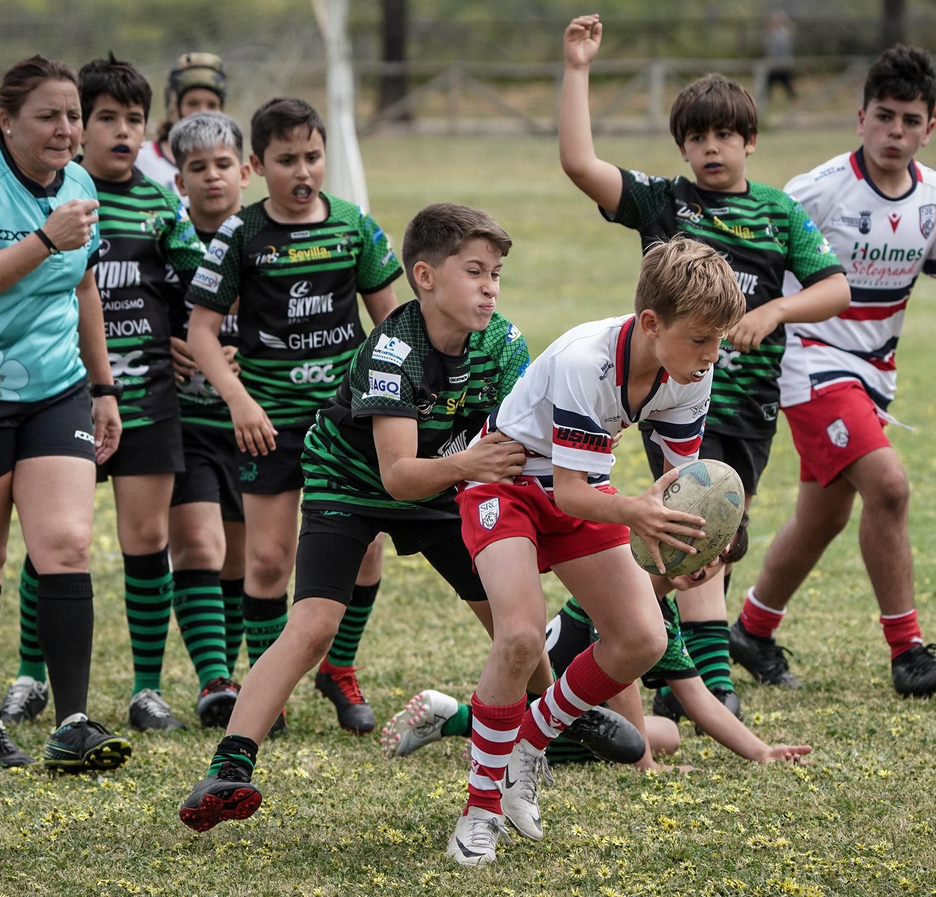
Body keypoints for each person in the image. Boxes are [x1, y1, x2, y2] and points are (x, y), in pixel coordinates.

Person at [444, 236, 810, 867]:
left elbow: (682, 481)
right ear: (649, 323)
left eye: (719, 339)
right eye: (700, 339)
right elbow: (572, 493)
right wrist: (639, 510)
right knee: (521, 638)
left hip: (582, 490)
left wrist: (698, 531)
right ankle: (480, 812)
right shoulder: (590, 360)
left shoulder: (691, 369)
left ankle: (531, 741)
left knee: (643, 638)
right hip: (505, 486)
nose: (712, 355)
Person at [180, 203, 542, 832]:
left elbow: (522, 441)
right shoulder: (392, 349)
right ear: (424, 277)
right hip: (352, 479)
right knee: (315, 624)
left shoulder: (505, 344)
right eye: (475, 271)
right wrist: (473, 465)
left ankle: (558, 716)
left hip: (444, 481)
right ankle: (230, 768)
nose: (490, 286)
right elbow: (399, 476)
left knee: (515, 620)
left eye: (497, 274)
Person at [557, 13, 848, 723]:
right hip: (678, 398)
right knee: (696, 525)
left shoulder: (779, 213)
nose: (709, 147)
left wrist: (774, 311)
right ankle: (710, 681)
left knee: (719, 536)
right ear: (682, 147)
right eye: (696, 137)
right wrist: (578, 70)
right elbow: (580, 166)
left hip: (750, 405)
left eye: (723, 135)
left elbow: (834, 286)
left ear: (750, 141)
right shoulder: (667, 202)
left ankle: (593, 631)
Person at [736, 45, 936, 697]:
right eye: (884, 117)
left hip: (873, 375)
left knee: (824, 516)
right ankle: (907, 651)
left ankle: (752, 628)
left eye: (910, 121)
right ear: (860, 118)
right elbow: (761, 273)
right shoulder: (820, 189)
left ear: (929, 127)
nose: (896, 132)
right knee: (887, 485)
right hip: (808, 362)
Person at [0, 55, 131, 771]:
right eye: (49, 115)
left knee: (66, 543)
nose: (66, 129)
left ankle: (73, 722)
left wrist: (103, 388)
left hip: (56, 389)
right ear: (7, 120)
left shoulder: (78, 182)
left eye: (73, 115)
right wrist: (43, 240)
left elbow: (84, 291)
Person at [184, 97, 401, 735]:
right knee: (271, 560)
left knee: (365, 553)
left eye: (312, 156)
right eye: (286, 160)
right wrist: (239, 398)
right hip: (268, 421)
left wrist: (390, 400)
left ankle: (339, 667)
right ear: (258, 164)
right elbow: (200, 332)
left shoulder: (354, 227)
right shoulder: (243, 233)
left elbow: (392, 324)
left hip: (347, 422)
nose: (302, 171)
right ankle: (267, 686)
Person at [1, 54, 204, 733]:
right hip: (64, 396)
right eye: (106, 117)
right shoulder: (52, 201)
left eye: (134, 119)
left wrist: (192, 336)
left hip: (147, 397)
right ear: (76, 127)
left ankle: (147, 689)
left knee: (147, 538)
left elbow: (197, 288)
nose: (121, 131)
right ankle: (31, 676)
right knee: (54, 542)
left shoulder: (159, 201)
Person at [385, 591, 809, 774]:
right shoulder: (622, 588)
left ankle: (469, 724)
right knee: (644, 740)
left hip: (569, 710)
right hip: (540, 700)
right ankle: (481, 727)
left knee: (669, 732)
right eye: (708, 550)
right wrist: (645, 765)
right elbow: (618, 676)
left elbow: (695, 694)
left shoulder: (659, 606)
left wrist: (762, 751)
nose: (712, 562)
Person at [165, 111, 253, 726]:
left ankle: (237, 670)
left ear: (244, 171)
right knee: (198, 541)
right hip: (183, 421)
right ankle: (214, 680)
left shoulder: (268, 238)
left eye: (223, 165)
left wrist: (243, 355)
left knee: (245, 560)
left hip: (253, 420)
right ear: (180, 181)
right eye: (199, 168)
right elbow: (125, 310)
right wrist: (163, 345)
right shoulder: (164, 242)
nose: (212, 177)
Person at [135, 53, 227, 190]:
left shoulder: (227, 163)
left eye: (212, 105)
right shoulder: (142, 159)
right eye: (192, 104)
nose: (202, 114)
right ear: (174, 107)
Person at [763, 11, 797, 102]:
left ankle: (763, 102)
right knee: (771, 84)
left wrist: (771, 60)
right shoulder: (780, 33)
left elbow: (778, 50)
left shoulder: (780, 35)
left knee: (784, 85)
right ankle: (764, 102)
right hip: (781, 64)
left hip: (780, 65)